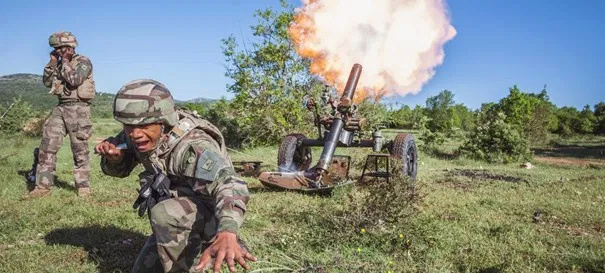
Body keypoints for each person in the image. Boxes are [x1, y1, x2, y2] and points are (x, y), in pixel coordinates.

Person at [95, 79, 256, 273]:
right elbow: (119, 171)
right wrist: (114, 159)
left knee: (165, 213)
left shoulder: (192, 146)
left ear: (164, 121)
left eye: (144, 125)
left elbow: (231, 184)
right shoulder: (138, 135)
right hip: (179, 218)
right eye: (128, 125)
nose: (135, 134)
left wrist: (228, 231)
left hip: (211, 216)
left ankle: (218, 243)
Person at [29, 31, 95, 197]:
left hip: (79, 109)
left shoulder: (83, 62)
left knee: (80, 149)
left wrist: (64, 62)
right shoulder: (58, 63)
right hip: (61, 107)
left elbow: (74, 81)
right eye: (57, 49)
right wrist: (52, 63)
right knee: (47, 147)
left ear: (71, 47)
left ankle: (83, 188)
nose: (60, 52)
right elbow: (47, 82)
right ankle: (42, 187)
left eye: (62, 48)